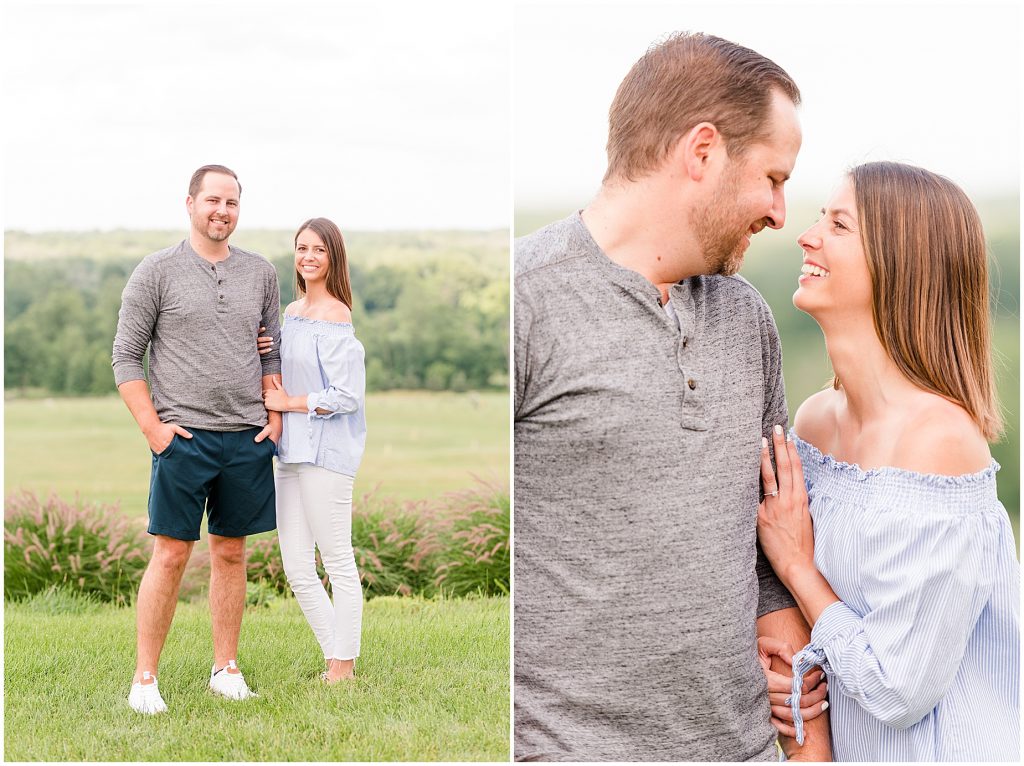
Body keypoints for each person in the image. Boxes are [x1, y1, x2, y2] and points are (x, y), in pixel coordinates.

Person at [514, 33, 830, 761]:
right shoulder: (527, 299)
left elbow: (765, 557)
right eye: (773, 179)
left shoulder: (744, 316)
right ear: (703, 152)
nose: (782, 213)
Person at [757, 162, 1020, 761]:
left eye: (839, 224)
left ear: (900, 264)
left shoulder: (939, 444)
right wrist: (775, 675)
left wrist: (798, 567)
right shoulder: (815, 423)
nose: (808, 234)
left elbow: (899, 687)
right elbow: (818, 625)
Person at [112, 164, 282, 714]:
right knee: (169, 554)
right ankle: (144, 680)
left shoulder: (260, 273)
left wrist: (274, 416)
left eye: (232, 203)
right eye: (213, 201)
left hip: (246, 437)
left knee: (231, 553)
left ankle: (226, 668)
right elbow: (124, 356)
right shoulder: (155, 271)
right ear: (190, 204)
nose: (222, 212)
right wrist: (154, 431)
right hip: (182, 437)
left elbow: (271, 351)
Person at [261, 217, 367, 683]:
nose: (307, 256)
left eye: (318, 250)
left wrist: (290, 403)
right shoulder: (291, 311)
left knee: (338, 560)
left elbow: (347, 395)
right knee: (297, 567)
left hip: (327, 453)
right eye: (301, 248)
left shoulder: (337, 316)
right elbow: (284, 364)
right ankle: (334, 658)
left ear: (332, 258)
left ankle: (343, 667)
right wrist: (268, 347)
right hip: (290, 453)